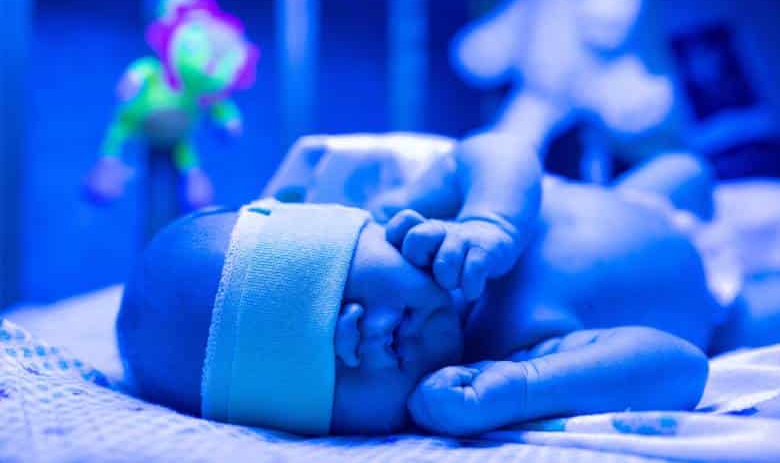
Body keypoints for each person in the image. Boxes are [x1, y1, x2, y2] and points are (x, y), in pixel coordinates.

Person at [116, 132, 731, 437]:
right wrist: (523, 388)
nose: (356, 335)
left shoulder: (422, 209)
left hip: (646, 204)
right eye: (313, 368)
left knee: (686, 168)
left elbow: (498, 148)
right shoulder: (501, 358)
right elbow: (679, 367)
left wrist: (490, 219)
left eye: (330, 286)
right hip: (723, 310)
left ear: (365, 231)